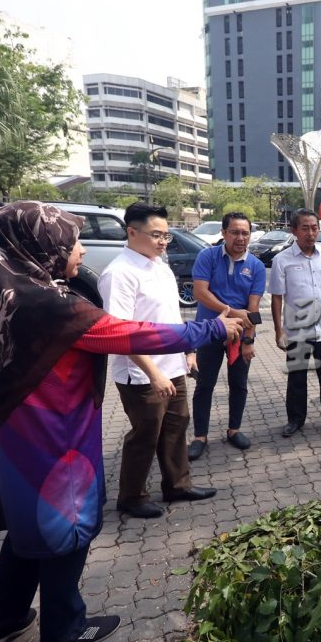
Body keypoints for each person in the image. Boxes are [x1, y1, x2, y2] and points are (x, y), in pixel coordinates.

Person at [0, 202, 242, 642]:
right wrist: (210, 329)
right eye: (72, 242)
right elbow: (128, 334)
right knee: (65, 527)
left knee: (28, 527)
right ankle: (63, 630)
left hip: (9, 436)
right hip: (53, 435)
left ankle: (4, 619)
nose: (81, 249)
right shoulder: (47, 305)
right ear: (40, 247)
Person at [98, 202, 216, 519]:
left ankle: (178, 485)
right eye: (156, 235)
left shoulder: (160, 266)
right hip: (141, 374)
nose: (163, 242)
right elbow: (120, 333)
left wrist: (188, 351)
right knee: (146, 433)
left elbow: (172, 317)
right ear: (131, 232)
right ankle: (132, 496)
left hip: (172, 366)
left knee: (177, 426)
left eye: (165, 235)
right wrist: (153, 373)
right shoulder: (119, 274)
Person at [269, 208, 321, 440]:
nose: (310, 233)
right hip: (297, 332)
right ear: (294, 231)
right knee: (297, 378)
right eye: (305, 228)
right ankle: (295, 420)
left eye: (314, 227)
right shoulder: (282, 260)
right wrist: (278, 330)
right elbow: (277, 296)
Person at [189, 212, 266, 458]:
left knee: (239, 385)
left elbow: (253, 309)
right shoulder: (207, 257)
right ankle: (200, 435)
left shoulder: (256, 266)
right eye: (235, 232)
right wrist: (233, 311)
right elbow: (201, 294)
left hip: (238, 336)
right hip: (209, 332)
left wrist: (248, 340)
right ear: (223, 233)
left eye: (245, 233)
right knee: (204, 385)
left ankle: (234, 430)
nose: (240, 238)